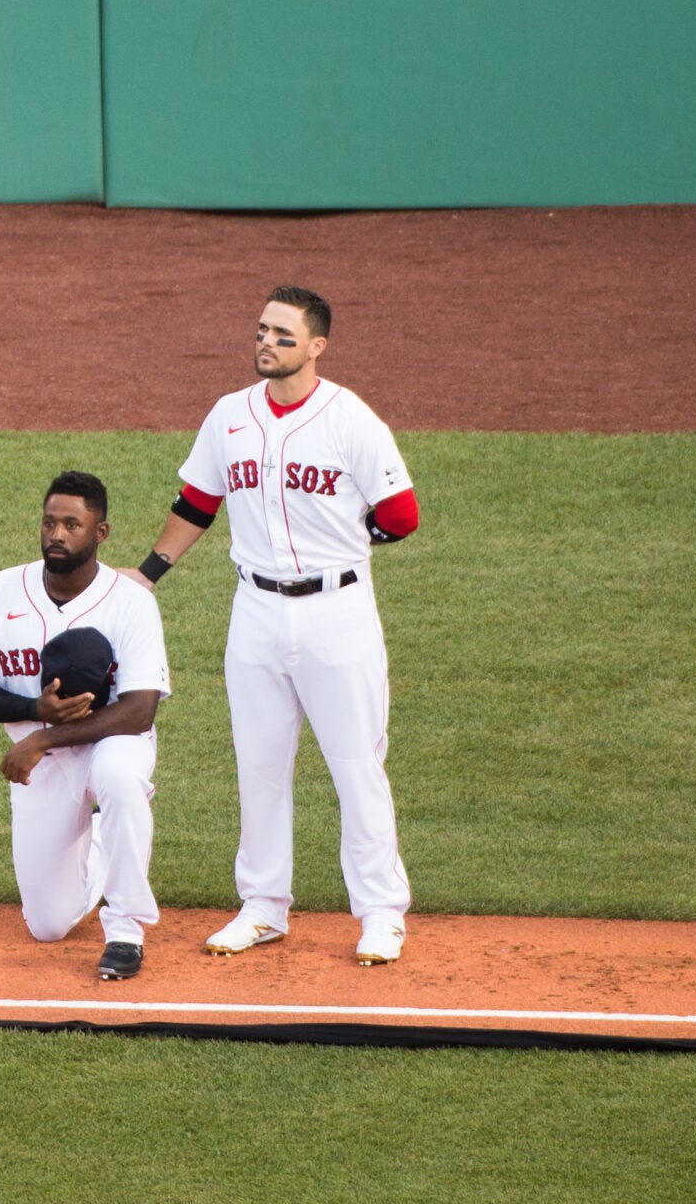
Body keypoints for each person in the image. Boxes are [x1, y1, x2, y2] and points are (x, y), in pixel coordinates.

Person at [123, 286, 420, 967]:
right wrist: (146, 575)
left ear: (316, 346)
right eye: (262, 330)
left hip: (336, 612)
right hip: (254, 610)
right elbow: (197, 503)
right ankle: (262, 909)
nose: (268, 342)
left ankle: (381, 914)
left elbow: (400, 515)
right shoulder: (229, 417)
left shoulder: (352, 420)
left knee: (355, 767)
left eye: (284, 335)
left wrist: (347, 543)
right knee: (258, 766)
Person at [0, 472, 170, 981]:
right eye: (50, 522)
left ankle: (126, 932)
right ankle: (103, 836)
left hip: (112, 743)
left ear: (101, 533)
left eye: (73, 524)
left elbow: (140, 710)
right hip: (42, 766)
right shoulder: (2, 590)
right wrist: (35, 711)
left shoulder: (131, 602)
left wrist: (44, 735)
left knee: (119, 777)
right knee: (47, 925)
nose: (57, 534)